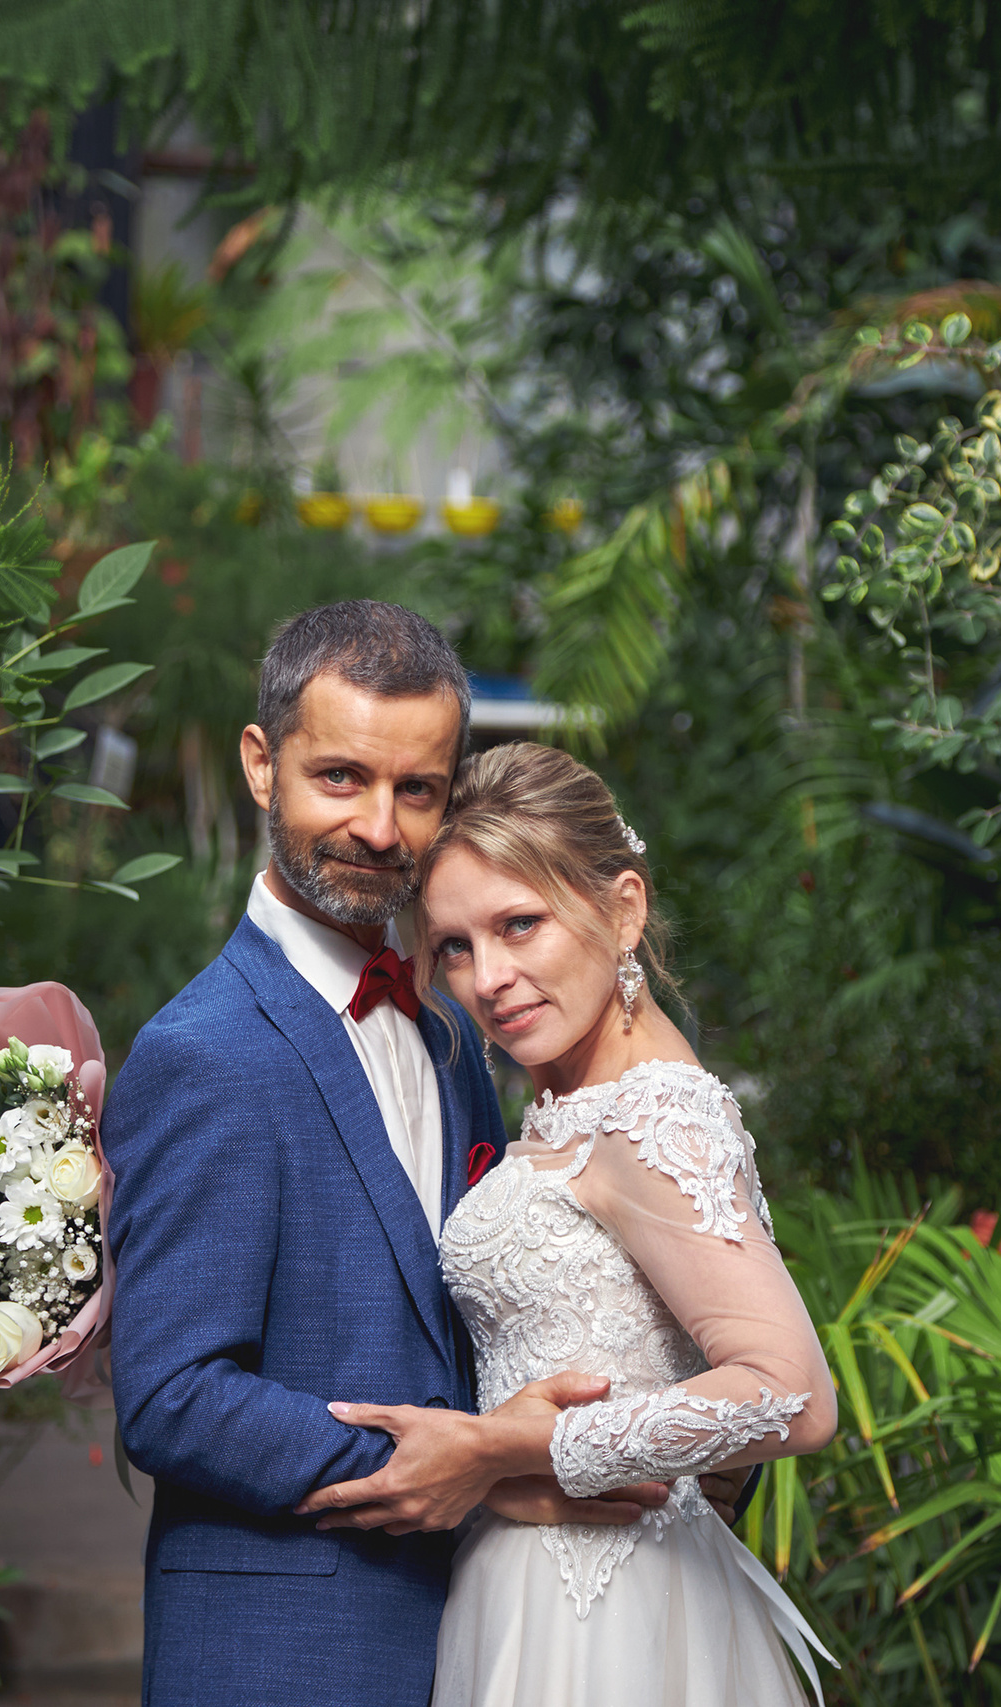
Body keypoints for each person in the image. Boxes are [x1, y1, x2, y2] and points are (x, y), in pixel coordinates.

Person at [105, 604, 737, 1707]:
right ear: (262, 766)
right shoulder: (199, 1054)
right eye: (340, 778)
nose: (380, 829)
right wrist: (464, 1466)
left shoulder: (452, 1033)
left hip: (485, 1630)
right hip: (281, 1649)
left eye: (418, 790)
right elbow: (170, 1397)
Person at [299, 741, 837, 1706]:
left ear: (622, 908)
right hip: (527, 1585)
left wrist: (507, 1448)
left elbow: (792, 1394)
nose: (488, 977)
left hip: (606, 1612)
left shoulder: (651, 1114)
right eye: (456, 945)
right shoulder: (571, 1097)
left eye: (520, 924)